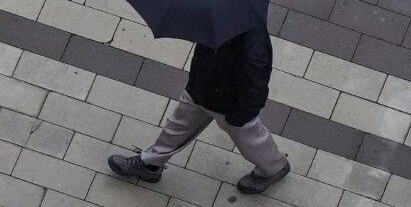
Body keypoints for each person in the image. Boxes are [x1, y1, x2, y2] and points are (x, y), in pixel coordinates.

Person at [108, 27, 290, 194]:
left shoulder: (254, 44)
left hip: (229, 106)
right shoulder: (214, 21)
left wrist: (241, 115)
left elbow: (255, 88)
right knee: (175, 128)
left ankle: (273, 168)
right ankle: (150, 164)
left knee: (252, 140)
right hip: (199, 91)